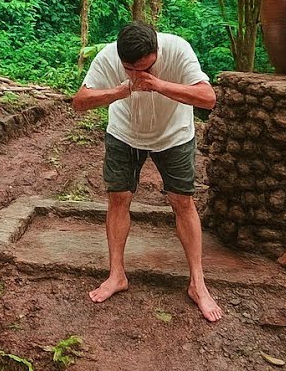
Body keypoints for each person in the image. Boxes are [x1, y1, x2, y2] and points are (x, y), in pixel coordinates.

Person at [71, 21, 222, 322]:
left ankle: (197, 283)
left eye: (145, 68)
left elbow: (208, 98)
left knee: (182, 202)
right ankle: (117, 275)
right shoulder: (110, 56)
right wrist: (120, 90)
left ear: (156, 51)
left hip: (175, 135)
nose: (138, 75)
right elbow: (79, 102)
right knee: (118, 198)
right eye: (130, 68)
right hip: (124, 134)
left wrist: (159, 85)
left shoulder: (177, 49)